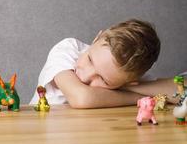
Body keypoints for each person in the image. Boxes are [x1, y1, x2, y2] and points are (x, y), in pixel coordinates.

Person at [30, 19, 185, 108]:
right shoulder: (68, 49)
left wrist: (127, 86)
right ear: (97, 38)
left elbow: (183, 93)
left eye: (103, 79)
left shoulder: (125, 74)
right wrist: (142, 97)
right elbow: (82, 98)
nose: (85, 77)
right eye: (90, 59)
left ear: (131, 81)